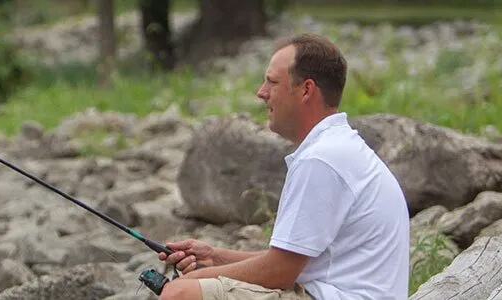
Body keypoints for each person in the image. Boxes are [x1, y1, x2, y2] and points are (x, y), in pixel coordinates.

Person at [157, 33, 410, 300]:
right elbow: (296, 261)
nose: (261, 92)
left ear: (306, 90)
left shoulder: (321, 159)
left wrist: (196, 278)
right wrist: (215, 257)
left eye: (272, 82)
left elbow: (281, 272)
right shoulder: (338, 148)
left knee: (181, 294)